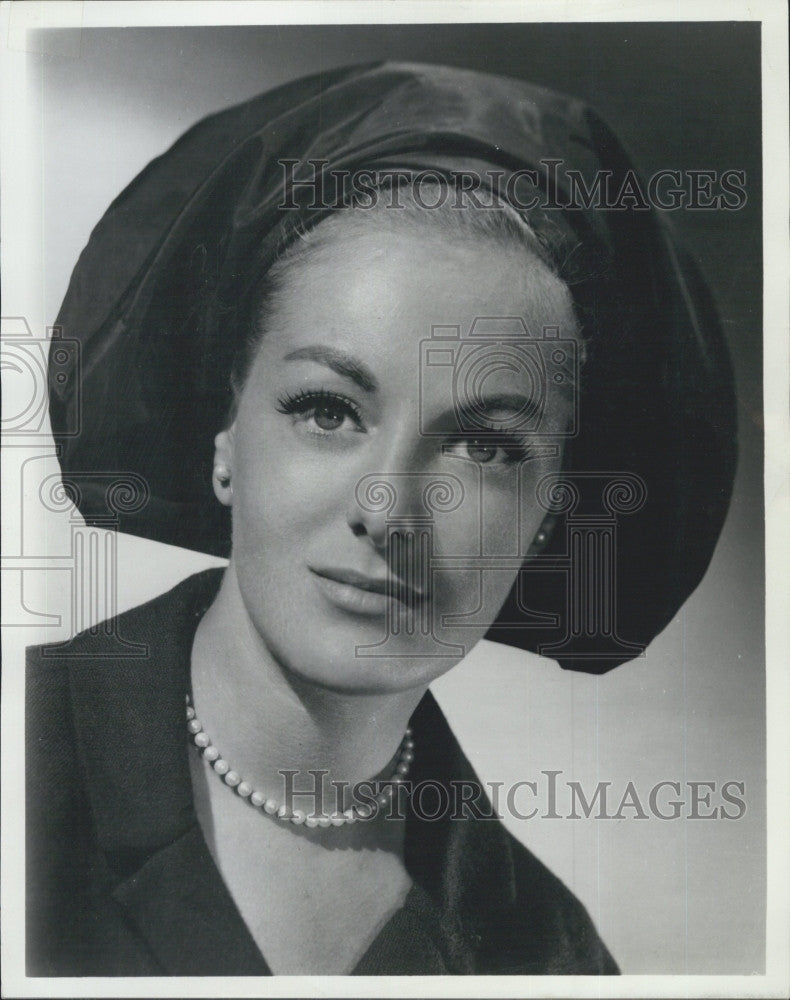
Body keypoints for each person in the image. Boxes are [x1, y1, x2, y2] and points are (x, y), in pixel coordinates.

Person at [27, 62, 736, 976]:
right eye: (327, 410)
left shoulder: (549, 958)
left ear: (553, 516)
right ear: (226, 438)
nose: (388, 509)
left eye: (483, 448)